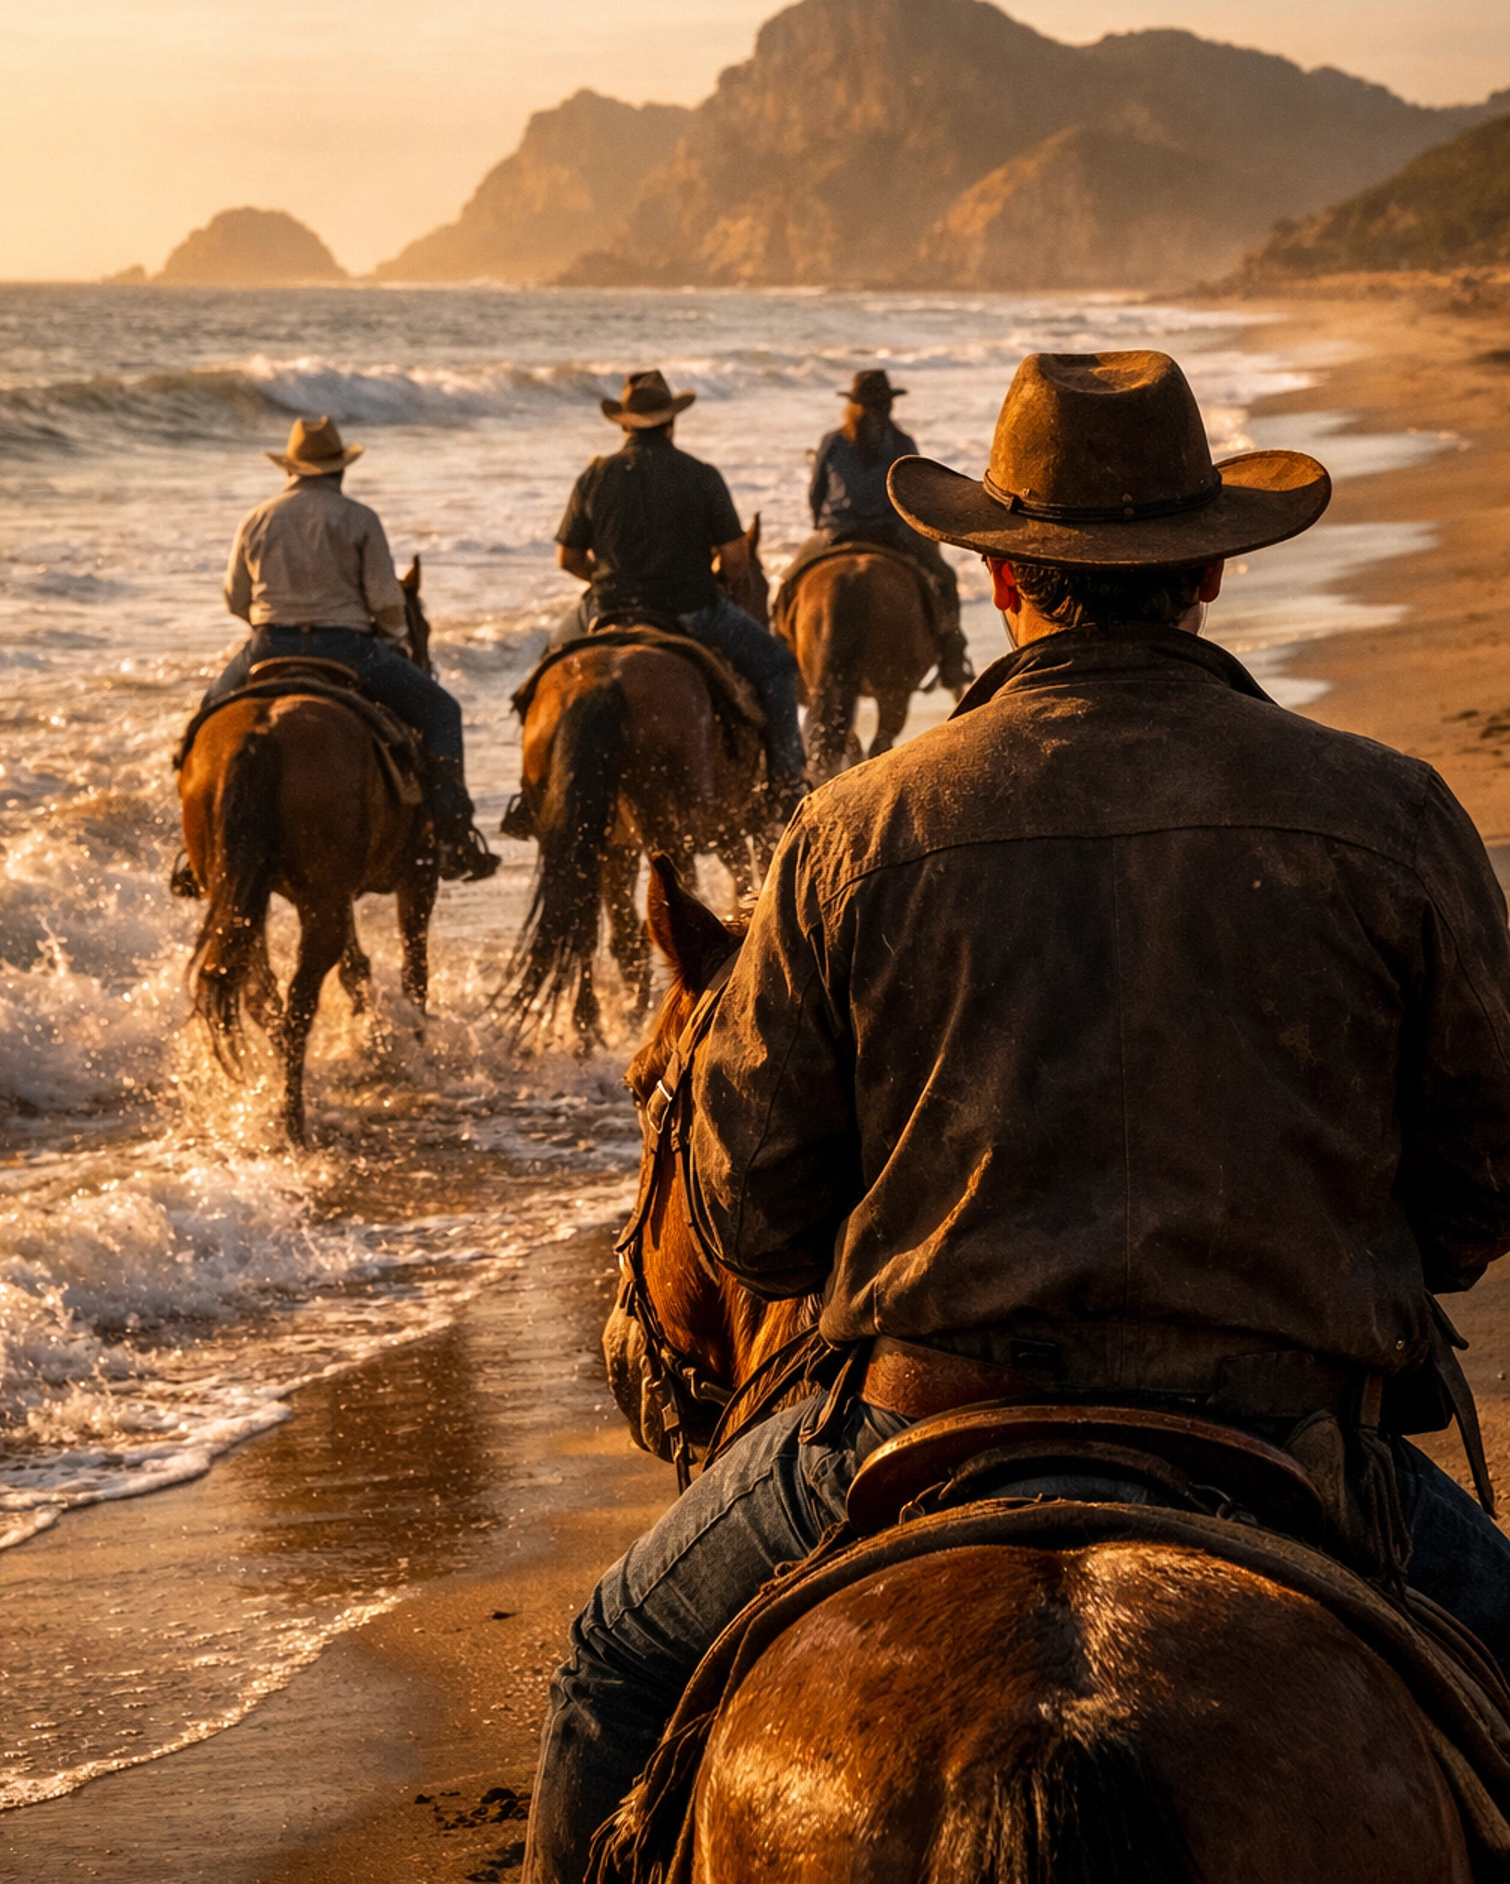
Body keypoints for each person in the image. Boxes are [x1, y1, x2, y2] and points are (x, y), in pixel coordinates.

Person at [523, 348, 1510, 1881]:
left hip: (912, 1420)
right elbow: (1481, 1188)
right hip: (1290, 1435)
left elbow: (756, 1219)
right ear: (1207, 573)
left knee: (607, 1672)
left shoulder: (851, 833)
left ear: (992, 579)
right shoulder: (1385, 813)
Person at [201, 414, 496, 881]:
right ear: (340, 469)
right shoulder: (359, 519)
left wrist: (273, 625)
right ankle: (453, 834)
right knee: (441, 713)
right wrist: (393, 638)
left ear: (289, 469)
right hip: (347, 648)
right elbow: (385, 599)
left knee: (206, 722)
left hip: (267, 646)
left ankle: (196, 848)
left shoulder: (256, 519)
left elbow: (235, 599)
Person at [551, 369, 807, 813]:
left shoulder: (595, 475)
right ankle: (786, 785)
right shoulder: (700, 474)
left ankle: (535, 794)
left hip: (608, 608)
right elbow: (734, 555)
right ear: (672, 422)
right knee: (778, 667)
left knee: (550, 672)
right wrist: (719, 576)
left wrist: (608, 580)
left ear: (625, 424)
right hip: (691, 610)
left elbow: (568, 558)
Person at [780, 367, 970, 690]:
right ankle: (951, 661)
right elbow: (915, 493)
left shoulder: (832, 442)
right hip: (892, 533)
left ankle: (787, 664)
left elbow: (815, 494)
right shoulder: (902, 441)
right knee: (945, 582)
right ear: (889, 406)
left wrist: (819, 527)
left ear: (853, 405)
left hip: (836, 533)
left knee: (786, 586)